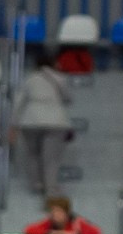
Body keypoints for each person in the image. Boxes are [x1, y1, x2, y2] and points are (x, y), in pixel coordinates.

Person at [10, 43, 75, 194]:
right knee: (51, 158)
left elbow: (18, 103)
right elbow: (68, 98)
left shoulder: (29, 79)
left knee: (33, 155)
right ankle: (51, 187)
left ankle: (36, 184)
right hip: (55, 122)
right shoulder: (60, 79)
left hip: (30, 121)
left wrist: (13, 125)